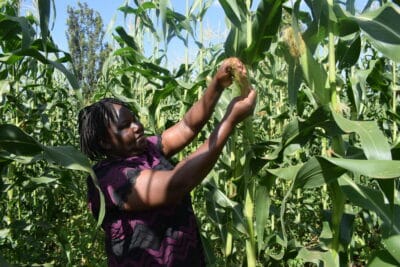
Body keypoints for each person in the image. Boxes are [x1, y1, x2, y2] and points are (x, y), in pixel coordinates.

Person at [78, 57, 257, 267]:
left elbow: (187, 127)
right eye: (125, 125)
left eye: (134, 119)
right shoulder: (109, 180)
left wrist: (217, 84)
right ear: (105, 142)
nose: (137, 126)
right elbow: (175, 185)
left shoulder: (146, 148)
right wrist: (229, 120)